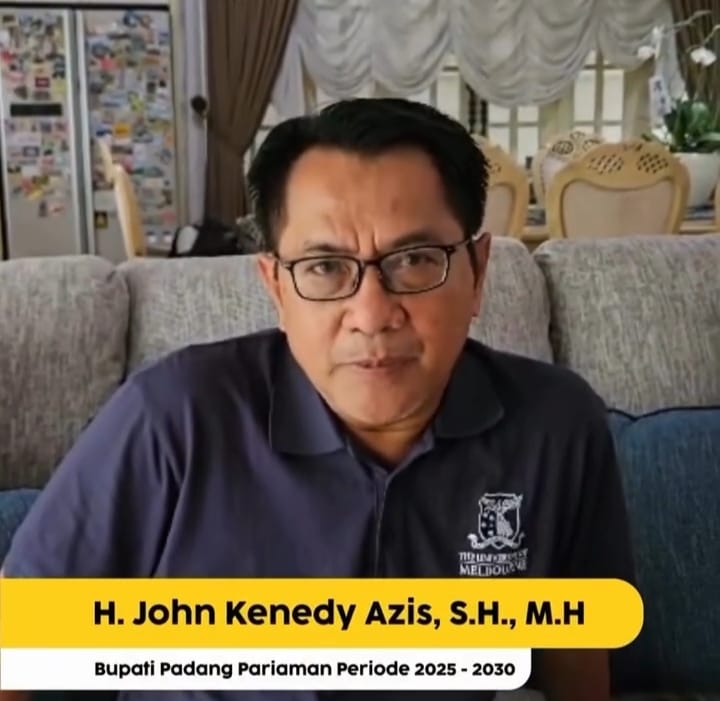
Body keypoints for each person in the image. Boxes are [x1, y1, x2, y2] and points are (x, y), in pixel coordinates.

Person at [0, 98, 635, 701]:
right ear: (276, 287)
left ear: (478, 272)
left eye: (415, 259)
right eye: (325, 267)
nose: (372, 314)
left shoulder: (555, 427)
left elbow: (577, 652)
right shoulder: (175, 417)